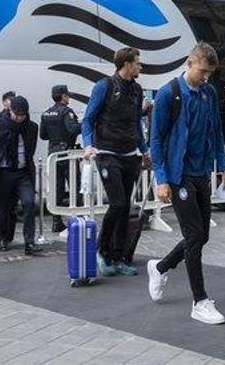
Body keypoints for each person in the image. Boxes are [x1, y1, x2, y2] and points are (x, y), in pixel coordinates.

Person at [146, 42, 225, 325]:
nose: (206, 77)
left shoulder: (208, 93)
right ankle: (200, 301)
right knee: (196, 236)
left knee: (202, 235)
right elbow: (156, 140)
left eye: (210, 73)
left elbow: (217, 132)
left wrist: (223, 167)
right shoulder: (168, 95)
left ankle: (160, 267)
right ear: (190, 62)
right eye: (203, 71)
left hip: (201, 172)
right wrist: (161, 180)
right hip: (178, 173)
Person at [81, 47, 149, 277]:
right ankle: (103, 251)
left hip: (130, 154)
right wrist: (88, 145)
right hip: (107, 153)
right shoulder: (105, 86)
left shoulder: (137, 90)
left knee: (125, 207)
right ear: (127, 64)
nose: (140, 67)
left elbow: (137, 124)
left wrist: (145, 151)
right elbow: (88, 119)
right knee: (118, 204)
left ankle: (120, 257)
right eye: (138, 63)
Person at [0, 96, 41, 254]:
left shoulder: (32, 127)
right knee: (4, 207)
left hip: (22, 172)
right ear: (10, 111)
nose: (19, 118)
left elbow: (31, 150)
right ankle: (3, 238)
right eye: (17, 114)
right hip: (4, 172)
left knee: (29, 203)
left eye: (23, 115)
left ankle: (29, 242)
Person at [40, 84, 81, 232]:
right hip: (67, 153)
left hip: (53, 154)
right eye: (67, 95)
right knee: (75, 186)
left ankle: (56, 222)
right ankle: (78, 219)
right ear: (63, 96)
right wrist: (83, 124)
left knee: (56, 188)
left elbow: (43, 135)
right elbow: (73, 129)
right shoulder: (66, 112)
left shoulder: (46, 114)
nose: (68, 97)